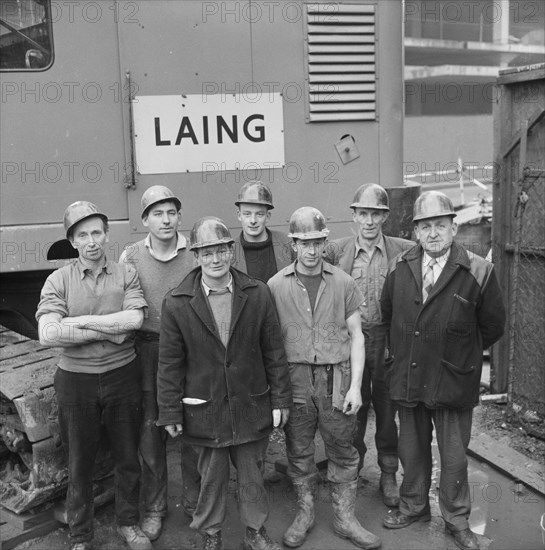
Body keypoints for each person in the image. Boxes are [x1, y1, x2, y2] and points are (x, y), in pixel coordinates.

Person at [156, 217, 292, 550]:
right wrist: (170, 412)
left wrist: (281, 401)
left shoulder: (256, 293)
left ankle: (255, 531)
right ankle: (210, 533)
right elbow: (170, 365)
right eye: (207, 252)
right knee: (211, 477)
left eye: (221, 250)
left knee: (251, 474)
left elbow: (274, 351)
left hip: (250, 403)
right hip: (207, 409)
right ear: (196, 256)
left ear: (231, 252)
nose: (215, 259)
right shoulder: (177, 303)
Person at [380, 191, 505, 550]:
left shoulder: (479, 269)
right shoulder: (400, 266)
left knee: (453, 456)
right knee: (412, 450)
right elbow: (389, 314)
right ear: (416, 231)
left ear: (453, 227)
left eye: (439, 225)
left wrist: (460, 352)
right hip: (409, 374)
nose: (432, 233)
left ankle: (457, 520)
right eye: (425, 226)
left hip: (453, 378)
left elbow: (493, 325)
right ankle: (413, 506)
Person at [36, 201, 151, 550]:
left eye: (97, 232)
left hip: (122, 376)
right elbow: (48, 334)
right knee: (79, 462)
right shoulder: (59, 279)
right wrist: (108, 330)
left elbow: (134, 321)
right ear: (72, 241)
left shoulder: (125, 273)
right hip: (76, 382)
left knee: (128, 457)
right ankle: (81, 535)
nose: (91, 241)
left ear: (106, 234)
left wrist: (78, 323)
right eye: (82, 234)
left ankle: (129, 523)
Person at [268, 207, 381, 550]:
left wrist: (357, 387)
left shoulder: (343, 282)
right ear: (293, 245)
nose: (312, 250)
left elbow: (357, 336)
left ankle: (345, 520)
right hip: (295, 380)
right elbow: (270, 344)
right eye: (304, 243)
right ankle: (304, 514)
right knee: (299, 452)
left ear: (324, 241)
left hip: (336, 380)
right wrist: (276, 395)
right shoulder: (275, 285)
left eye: (317, 242)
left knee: (343, 451)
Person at [324, 183, 413, 507]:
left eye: (376, 214)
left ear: (385, 216)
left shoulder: (404, 250)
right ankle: (353, 467)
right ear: (354, 216)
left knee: (388, 411)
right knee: (353, 408)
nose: (370, 221)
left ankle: (388, 472)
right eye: (364, 213)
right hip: (352, 341)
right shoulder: (336, 251)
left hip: (387, 340)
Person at [120, 186, 196, 540]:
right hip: (149, 350)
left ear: (179, 217)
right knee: (151, 433)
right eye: (157, 213)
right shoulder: (131, 256)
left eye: (171, 212)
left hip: (193, 350)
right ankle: (154, 508)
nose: (165, 220)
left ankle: (197, 503)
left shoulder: (196, 251)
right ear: (145, 220)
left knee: (195, 425)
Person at [232, 180, 294, 281]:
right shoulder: (230, 251)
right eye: (247, 214)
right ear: (239, 215)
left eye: (259, 214)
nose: (253, 221)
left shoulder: (287, 243)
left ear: (268, 216)